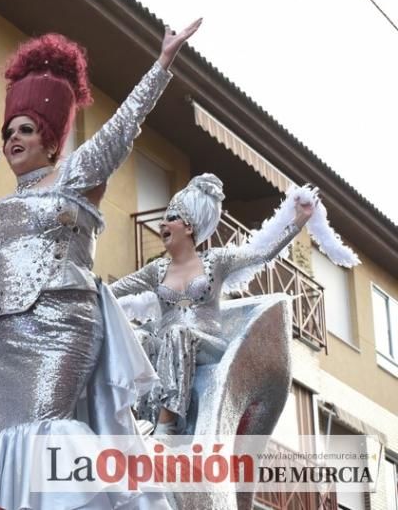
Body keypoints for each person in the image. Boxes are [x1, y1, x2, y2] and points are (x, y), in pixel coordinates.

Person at [0, 20, 203, 510]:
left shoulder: (75, 179)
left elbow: (121, 129)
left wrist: (161, 65)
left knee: (51, 424)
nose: (13, 139)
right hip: (1, 340)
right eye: (8, 132)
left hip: (62, 323)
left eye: (25, 129)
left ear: (49, 139)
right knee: (15, 436)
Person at [111, 174, 357, 435]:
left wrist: (298, 221)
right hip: (168, 343)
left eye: (171, 218)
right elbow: (115, 290)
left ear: (189, 227)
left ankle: (167, 423)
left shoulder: (217, 261)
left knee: (176, 332)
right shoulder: (156, 269)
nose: (163, 224)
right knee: (140, 337)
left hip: (206, 343)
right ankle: (137, 416)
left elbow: (263, 254)